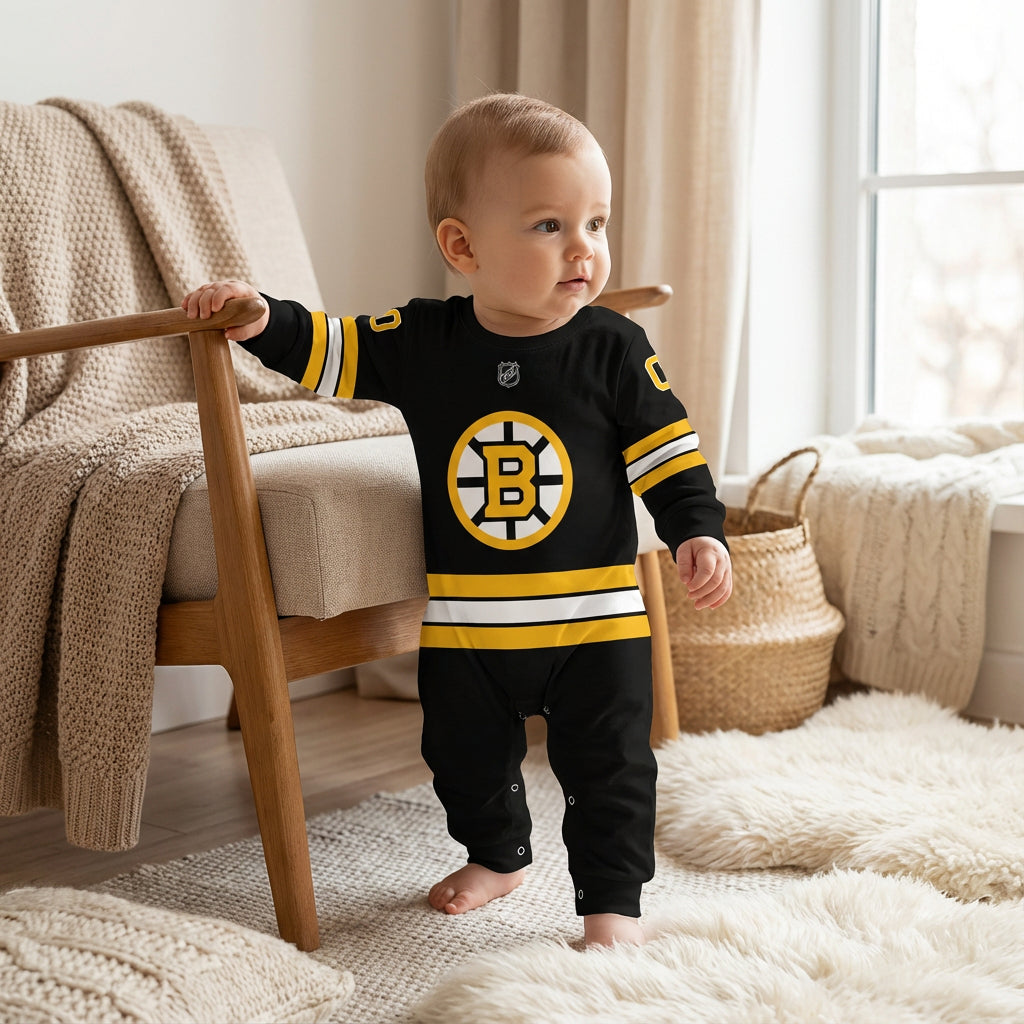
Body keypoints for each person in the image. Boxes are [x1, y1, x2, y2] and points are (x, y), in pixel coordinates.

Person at [182, 93, 732, 948]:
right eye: (549, 225)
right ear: (462, 247)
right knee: (463, 756)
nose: (584, 247)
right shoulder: (426, 342)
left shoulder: (614, 348)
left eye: (596, 222)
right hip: (470, 624)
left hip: (595, 621)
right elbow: (332, 348)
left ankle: (611, 907)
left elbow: (669, 452)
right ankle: (498, 856)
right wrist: (263, 318)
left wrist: (696, 527)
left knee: (612, 769)